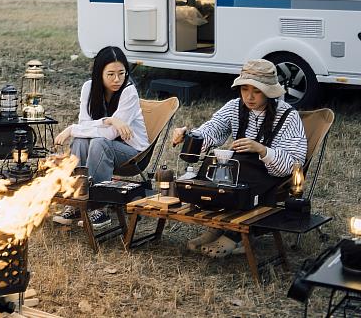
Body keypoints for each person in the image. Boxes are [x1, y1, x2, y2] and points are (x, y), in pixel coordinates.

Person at [171, 58, 307, 258]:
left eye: (256, 91)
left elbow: (294, 163)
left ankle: (235, 234)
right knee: (213, 166)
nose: (249, 97)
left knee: (241, 171)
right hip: (240, 170)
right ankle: (218, 227)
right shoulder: (235, 107)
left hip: (272, 174)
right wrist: (191, 135)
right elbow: (212, 128)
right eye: (245, 89)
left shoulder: (287, 115)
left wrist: (262, 150)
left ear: (269, 92)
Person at [52, 46, 148, 229]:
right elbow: (82, 126)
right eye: (110, 74)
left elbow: (111, 134)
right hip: (103, 146)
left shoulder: (129, 92)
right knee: (81, 140)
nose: (117, 79)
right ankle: (76, 202)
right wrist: (109, 120)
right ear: (99, 73)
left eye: (121, 73)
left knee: (99, 142)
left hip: (133, 152)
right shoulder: (88, 88)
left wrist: (74, 129)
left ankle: (100, 208)